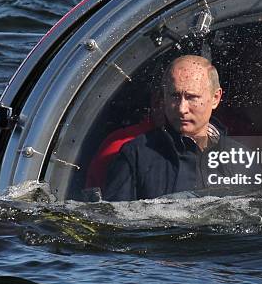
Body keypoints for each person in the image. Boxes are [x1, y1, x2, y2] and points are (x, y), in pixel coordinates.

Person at [103, 55, 246, 201]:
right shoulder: (135, 155)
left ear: (215, 98)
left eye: (192, 97)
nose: (181, 108)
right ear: (163, 97)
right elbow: (114, 220)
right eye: (174, 96)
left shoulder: (240, 159)